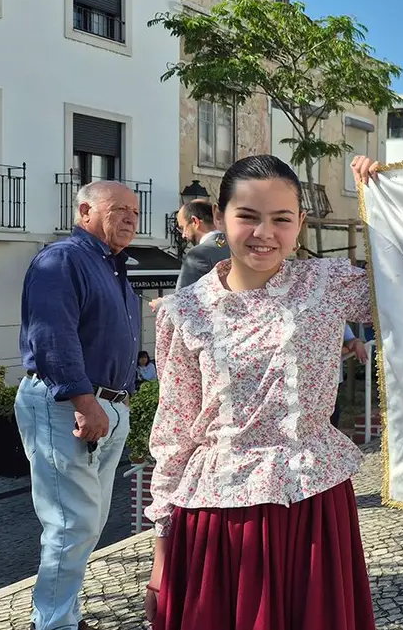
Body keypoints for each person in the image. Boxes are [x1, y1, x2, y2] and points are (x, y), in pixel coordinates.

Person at [145, 155, 375, 630]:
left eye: (281, 219)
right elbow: (174, 431)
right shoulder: (184, 310)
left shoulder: (329, 284)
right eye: (247, 216)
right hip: (218, 517)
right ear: (222, 219)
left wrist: (383, 202)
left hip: (312, 503)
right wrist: (161, 556)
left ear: (300, 224)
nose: (263, 233)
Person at [14, 180, 140, 630]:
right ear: (85, 211)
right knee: (72, 523)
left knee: (87, 523)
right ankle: (52, 624)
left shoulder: (113, 268)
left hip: (105, 407)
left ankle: (63, 615)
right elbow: (51, 337)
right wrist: (86, 402)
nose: (130, 218)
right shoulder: (63, 259)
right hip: (68, 405)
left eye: (135, 212)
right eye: (119, 209)